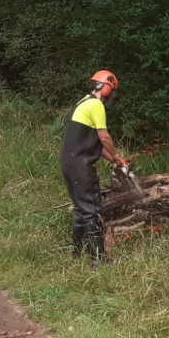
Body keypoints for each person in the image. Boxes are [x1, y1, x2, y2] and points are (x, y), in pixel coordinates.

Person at [59, 70, 128, 266]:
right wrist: (115, 155)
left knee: (81, 209)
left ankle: (78, 254)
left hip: (69, 162)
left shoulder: (83, 102)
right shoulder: (96, 105)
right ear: (106, 88)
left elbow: (93, 144)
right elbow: (104, 137)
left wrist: (114, 160)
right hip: (80, 165)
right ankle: (99, 260)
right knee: (91, 209)